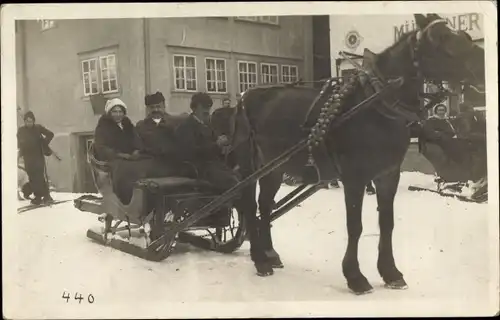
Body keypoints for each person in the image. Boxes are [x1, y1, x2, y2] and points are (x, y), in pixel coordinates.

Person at [175, 92, 240, 193]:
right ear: (194, 108)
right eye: (204, 108)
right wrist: (216, 145)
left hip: (213, 165)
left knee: (240, 177)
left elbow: (214, 146)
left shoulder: (208, 125)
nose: (207, 111)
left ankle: (227, 206)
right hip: (198, 167)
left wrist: (224, 148)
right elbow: (190, 152)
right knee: (231, 181)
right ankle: (223, 206)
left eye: (208, 108)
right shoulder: (185, 127)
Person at [93, 98, 147, 204]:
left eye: (120, 111)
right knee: (123, 169)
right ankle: (124, 198)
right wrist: (119, 155)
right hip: (113, 158)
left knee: (145, 164)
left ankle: (143, 195)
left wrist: (137, 150)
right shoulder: (103, 126)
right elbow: (101, 147)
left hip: (130, 157)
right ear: (109, 113)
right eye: (114, 112)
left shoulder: (127, 124)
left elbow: (136, 138)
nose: (118, 114)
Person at [136, 91, 193, 178]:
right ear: (147, 109)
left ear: (164, 106)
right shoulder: (141, 126)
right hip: (151, 169)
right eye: (152, 107)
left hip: (175, 167)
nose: (155, 110)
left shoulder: (175, 122)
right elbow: (139, 147)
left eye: (158, 106)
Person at [17, 111, 54, 205]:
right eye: (27, 121)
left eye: (31, 121)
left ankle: (43, 196)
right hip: (28, 158)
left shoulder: (38, 128)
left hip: (38, 157)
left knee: (39, 177)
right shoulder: (21, 130)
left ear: (34, 121)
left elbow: (50, 134)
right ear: (24, 121)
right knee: (33, 178)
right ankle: (42, 196)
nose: (29, 123)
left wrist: (44, 143)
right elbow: (19, 142)